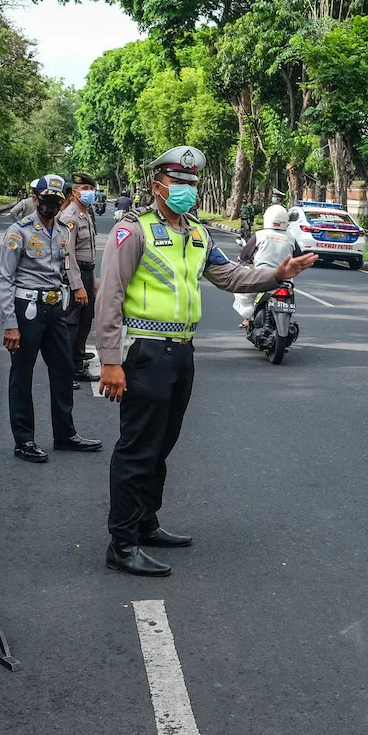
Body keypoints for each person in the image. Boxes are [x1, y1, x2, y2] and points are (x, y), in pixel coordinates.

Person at [95, 146, 317, 577]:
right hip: (143, 350)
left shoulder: (197, 234)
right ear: (157, 183)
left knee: (162, 445)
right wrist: (109, 361)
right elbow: (110, 296)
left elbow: (230, 275)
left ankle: (146, 523)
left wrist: (277, 275)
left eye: (191, 184)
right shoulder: (132, 231)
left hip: (181, 352)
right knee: (137, 450)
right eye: (178, 183)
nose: (186, 191)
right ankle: (121, 543)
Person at [0, 174, 103, 463]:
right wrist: (10, 324)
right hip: (27, 309)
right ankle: (24, 440)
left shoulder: (61, 230)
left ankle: (65, 434)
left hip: (55, 307)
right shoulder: (19, 232)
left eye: (57, 201)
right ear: (36, 199)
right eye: (46, 201)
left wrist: (79, 288)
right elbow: (5, 279)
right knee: (22, 375)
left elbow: (66, 269)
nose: (51, 206)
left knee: (63, 370)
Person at [61, 172, 100, 383]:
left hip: (86, 273)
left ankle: (78, 359)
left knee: (86, 319)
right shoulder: (70, 217)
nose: (90, 193)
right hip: (75, 275)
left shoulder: (85, 214)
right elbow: (68, 254)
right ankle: (69, 369)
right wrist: (77, 286)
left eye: (91, 189)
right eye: (85, 189)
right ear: (75, 192)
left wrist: (91, 281)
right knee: (73, 323)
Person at [233, 204, 299, 326]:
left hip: (261, 276)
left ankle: (247, 318)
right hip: (285, 280)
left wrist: (241, 260)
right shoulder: (291, 238)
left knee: (243, 291)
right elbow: (299, 257)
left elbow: (244, 255)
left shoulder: (260, 235)